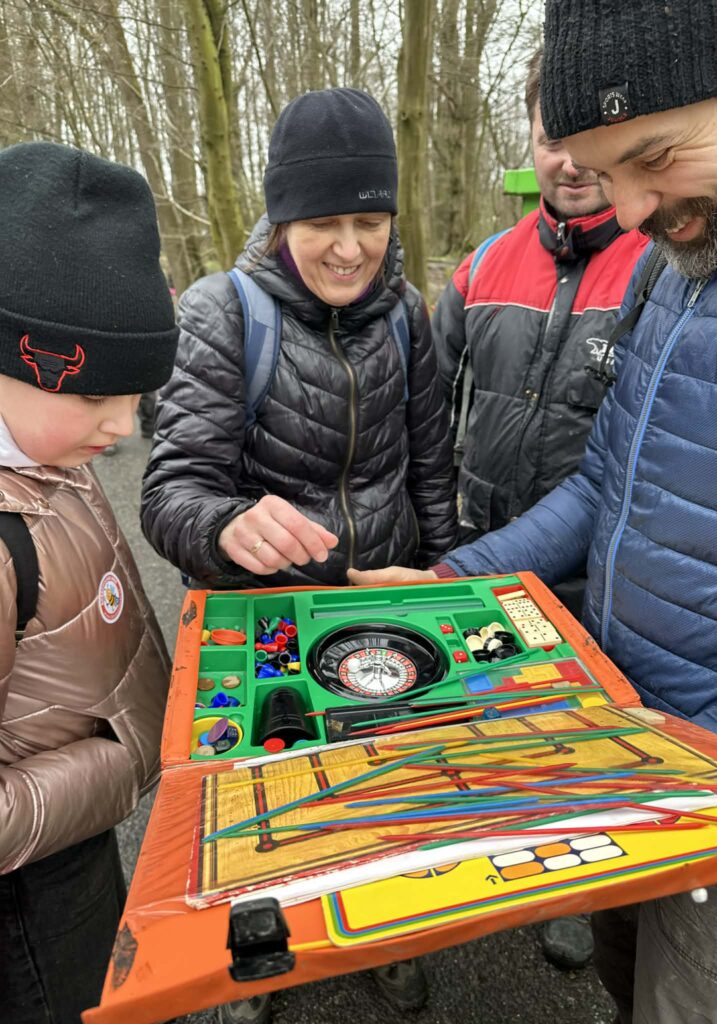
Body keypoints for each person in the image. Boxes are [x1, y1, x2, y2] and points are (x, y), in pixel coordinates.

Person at [350, 1, 717, 1020]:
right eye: (604, 173)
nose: (631, 211)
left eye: (652, 157)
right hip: (633, 753)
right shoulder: (681, 264)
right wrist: (453, 583)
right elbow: (603, 486)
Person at [140, 87, 455, 1022]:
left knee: (380, 784)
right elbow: (171, 493)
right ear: (282, 221)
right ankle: (257, 953)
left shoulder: (408, 314)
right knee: (261, 802)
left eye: (370, 222)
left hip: (381, 603)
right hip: (261, 615)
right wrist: (223, 526)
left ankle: (381, 931)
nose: (350, 248)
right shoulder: (222, 313)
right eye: (324, 223)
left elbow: (432, 465)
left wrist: (445, 580)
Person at [431, 46, 648, 969]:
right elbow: (426, 410)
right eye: (553, 135)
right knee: (485, 716)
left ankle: (570, 883)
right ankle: (483, 847)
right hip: (481, 548)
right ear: (529, 137)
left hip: (586, 574)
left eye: (588, 136)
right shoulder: (483, 265)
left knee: (576, 739)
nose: (571, 159)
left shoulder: (660, 268)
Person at [0, 142, 179, 1024]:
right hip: (26, 893)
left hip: (75, 840)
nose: (123, 426)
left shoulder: (50, 451)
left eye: (137, 395)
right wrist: (117, 762)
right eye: (95, 394)